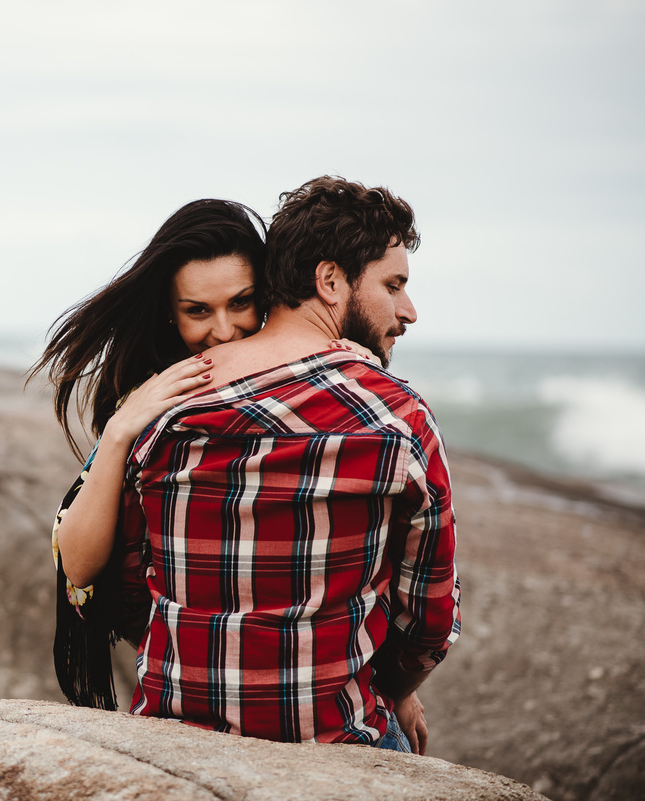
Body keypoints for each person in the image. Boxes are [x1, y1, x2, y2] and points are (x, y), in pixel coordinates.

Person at [78, 176, 461, 755]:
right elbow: (429, 616)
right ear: (329, 281)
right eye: (394, 285)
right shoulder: (395, 414)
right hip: (337, 742)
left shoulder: (166, 407)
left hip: (170, 732)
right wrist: (394, 689)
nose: (408, 310)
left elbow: (129, 591)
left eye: (240, 303)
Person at [31, 198, 372, 712]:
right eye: (198, 311)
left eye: (242, 302)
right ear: (170, 313)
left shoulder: (322, 372)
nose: (224, 329)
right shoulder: (157, 394)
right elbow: (77, 567)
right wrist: (120, 431)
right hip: (188, 673)